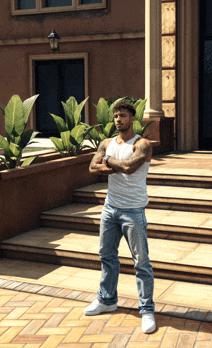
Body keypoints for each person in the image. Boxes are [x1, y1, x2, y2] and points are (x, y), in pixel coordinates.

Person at [84, 101, 156, 334]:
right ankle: (107, 300)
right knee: (107, 255)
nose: (118, 120)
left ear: (132, 118)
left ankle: (146, 310)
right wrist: (115, 164)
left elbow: (129, 168)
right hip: (110, 208)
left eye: (122, 115)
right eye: (115, 116)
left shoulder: (143, 144)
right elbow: (92, 168)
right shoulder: (106, 143)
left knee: (141, 262)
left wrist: (107, 161)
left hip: (133, 210)